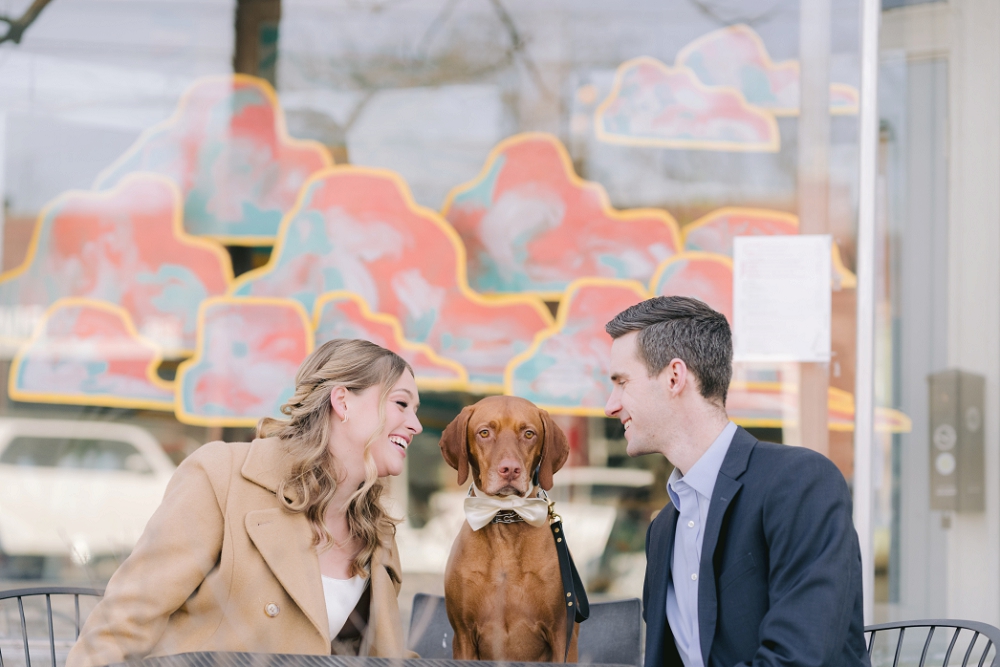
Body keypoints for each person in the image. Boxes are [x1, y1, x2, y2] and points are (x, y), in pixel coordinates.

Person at [67, 339, 423, 667]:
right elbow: (126, 620)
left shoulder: (377, 532)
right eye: (401, 404)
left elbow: (376, 655)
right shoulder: (223, 476)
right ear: (342, 401)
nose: (416, 425)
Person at [603, 296, 869, 667]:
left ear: (674, 377)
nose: (610, 406)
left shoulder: (801, 483)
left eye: (622, 382)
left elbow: (799, 659)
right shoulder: (662, 530)